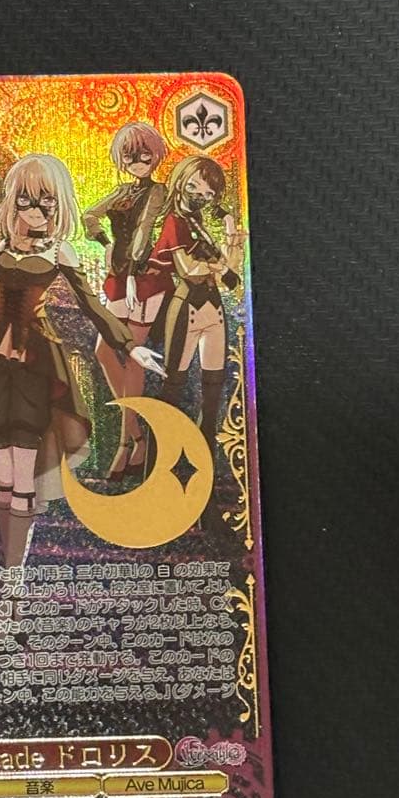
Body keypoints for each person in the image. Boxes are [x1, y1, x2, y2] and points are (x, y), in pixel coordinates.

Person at [0, 152, 164, 566]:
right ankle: (10, 572)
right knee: (3, 470)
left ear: (58, 202)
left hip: (34, 363)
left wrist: (129, 345)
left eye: (46, 200)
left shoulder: (61, 253)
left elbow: (92, 306)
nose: (35, 210)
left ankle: (15, 579)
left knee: (23, 469)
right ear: (14, 202)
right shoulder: (0, 250)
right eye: (25, 200)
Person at [145, 154, 246, 529]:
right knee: (171, 396)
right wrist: (221, 268)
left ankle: (204, 499)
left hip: (213, 312)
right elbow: (189, 270)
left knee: (211, 402)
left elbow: (233, 273)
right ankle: (157, 490)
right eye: (193, 187)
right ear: (180, 183)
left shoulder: (200, 224)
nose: (199, 195)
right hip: (185, 309)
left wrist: (233, 236)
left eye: (207, 192)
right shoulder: (174, 221)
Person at [82, 122, 167, 479]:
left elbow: (145, 229)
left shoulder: (158, 191)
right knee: (105, 351)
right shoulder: (121, 191)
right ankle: (137, 436)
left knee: (134, 357)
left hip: (145, 276)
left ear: (156, 155)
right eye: (131, 157)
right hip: (119, 275)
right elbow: (89, 214)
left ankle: (125, 445)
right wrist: (105, 243)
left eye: (145, 155)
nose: (139, 162)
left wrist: (132, 271)